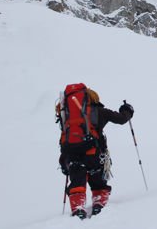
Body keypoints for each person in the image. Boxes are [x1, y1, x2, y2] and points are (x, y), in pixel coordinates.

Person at [56, 85, 134, 219]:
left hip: (72, 155)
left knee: (77, 181)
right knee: (97, 180)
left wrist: (63, 161)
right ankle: (98, 203)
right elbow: (121, 119)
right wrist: (127, 110)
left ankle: (78, 208)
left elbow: (65, 138)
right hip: (93, 154)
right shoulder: (99, 111)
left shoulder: (67, 116)